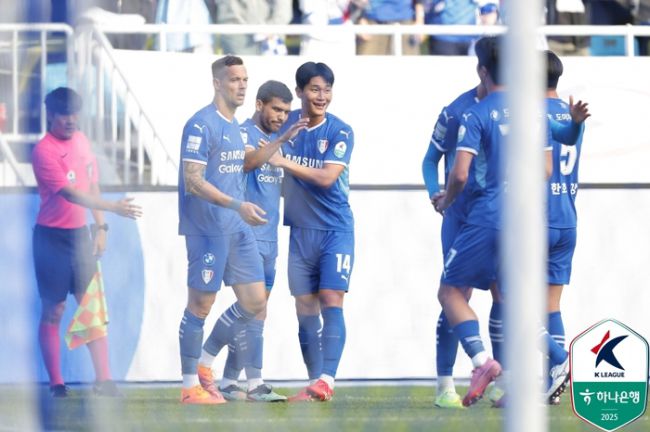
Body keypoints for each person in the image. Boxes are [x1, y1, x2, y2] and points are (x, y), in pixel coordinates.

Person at [31, 87, 142, 398]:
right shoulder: (44, 151)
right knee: (54, 310)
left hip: (79, 237)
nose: (71, 120)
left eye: (75, 113)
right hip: (50, 240)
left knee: (91, 307)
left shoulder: (82, 141)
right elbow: (71, 194)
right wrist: (114, 207)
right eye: (64, 114)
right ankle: (56, 382)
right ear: (51, 115)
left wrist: (101, 226)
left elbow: (90, 185)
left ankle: (103, 380)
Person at [177, 55, 269, 405]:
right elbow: (193, 180)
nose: (242, 85)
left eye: (245, 80)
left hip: (237, 228)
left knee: (255, 301)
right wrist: (236, 205)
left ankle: (204, 362)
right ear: (217, 83)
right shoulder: (200, 125)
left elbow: (241, 166)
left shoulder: (235, 127)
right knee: (201, 304)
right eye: (234, 80)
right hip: (206, 229)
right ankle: (190, 387)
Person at [216, 80, 308, 402]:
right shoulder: (241, 133)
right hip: (244, 236)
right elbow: (247, 162)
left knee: (256, 312)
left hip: (270, 238)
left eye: (285, 111)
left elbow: (278, 185)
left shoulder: (280, 142)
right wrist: (280, 141)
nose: (281, 116)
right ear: (259, 105)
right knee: (253, 309)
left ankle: (229, 381)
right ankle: (253, 382)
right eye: (276, 109)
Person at [269, 61, 354, 402]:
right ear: (299, 92)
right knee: (305, 311)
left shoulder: (340, 131)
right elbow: (258, 146)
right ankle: (314, 382)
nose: (322, 97)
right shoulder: (286, 125)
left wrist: (283, 162)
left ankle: (327, 379)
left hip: (335, 230)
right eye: (315, 89)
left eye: (327, 90)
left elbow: (327, 177)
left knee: (332, 300)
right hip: (300, 230)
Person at [422, 81, 487, 408]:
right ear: (484, 71)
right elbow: (429, 160)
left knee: (505, 295)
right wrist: (437, 194)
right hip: (461, 218)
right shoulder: (456, 112)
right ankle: (445, 384)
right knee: (455, 295)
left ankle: (499, 379)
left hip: (497, 216)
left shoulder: (516, 108)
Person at [542, 49, 587, 405]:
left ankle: (561, 359)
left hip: (536, 220)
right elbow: (569, 138)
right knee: (551, 306)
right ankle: (553, 383)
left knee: (509, 301)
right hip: (567, 219)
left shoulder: (528, 114)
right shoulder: (571, 115)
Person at [356, 0, 425, 55]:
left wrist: (420, 21)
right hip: (373, 21)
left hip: (405, 22)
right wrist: (361, 20)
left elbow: (420, 2)